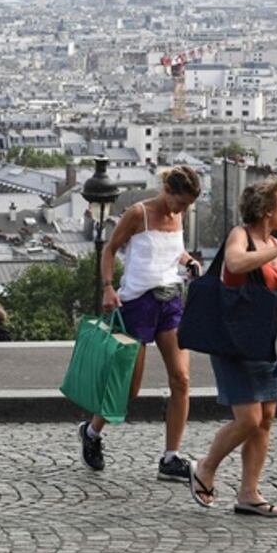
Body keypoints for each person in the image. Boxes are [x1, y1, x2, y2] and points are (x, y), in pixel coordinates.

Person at [190, 179, 277, 518]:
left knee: (266, 418)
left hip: (261, 340)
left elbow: (270, 293)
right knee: (248, 419)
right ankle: (205, 466)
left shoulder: (273, 241)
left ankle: (249, 493)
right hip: (233, 341)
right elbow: (234, 265)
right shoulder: (242, 235)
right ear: (266, 211)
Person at [79, 165, 202, 481]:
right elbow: (110, 249)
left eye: (188, 205)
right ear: (168, 191)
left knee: (182, 378)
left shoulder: (179, 216)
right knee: (127, 390)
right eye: (182, 202)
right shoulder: (138, 213)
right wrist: (108, 286)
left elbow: (175, 251)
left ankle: (170, 457)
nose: (183, 209)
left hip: (171, 300)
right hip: (137, 304)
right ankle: (92, 433)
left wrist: (189, 261)